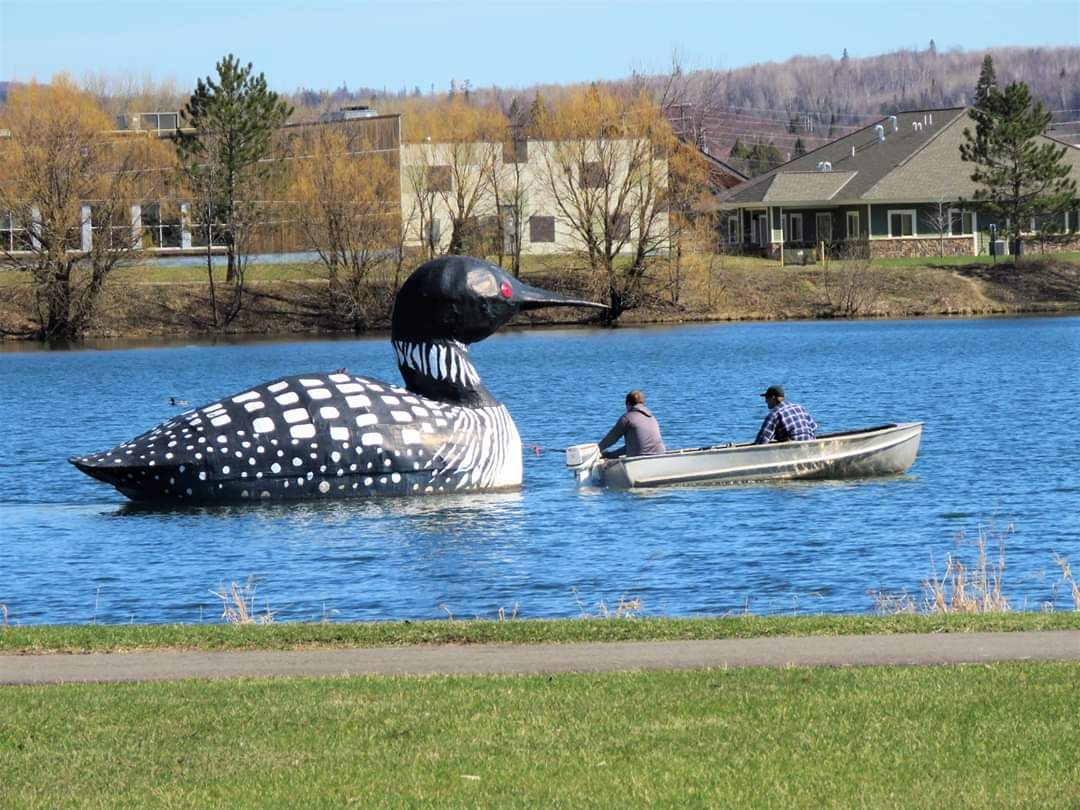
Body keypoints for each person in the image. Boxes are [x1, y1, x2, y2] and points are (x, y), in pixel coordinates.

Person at [598, 390, 666, 458]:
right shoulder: (652, 417)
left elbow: (611, 439)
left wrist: (597, 450)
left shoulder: (627, 418)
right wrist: (610, 455)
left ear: (628, 403)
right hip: (660, 455)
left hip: (640, 459)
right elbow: (634, 446)